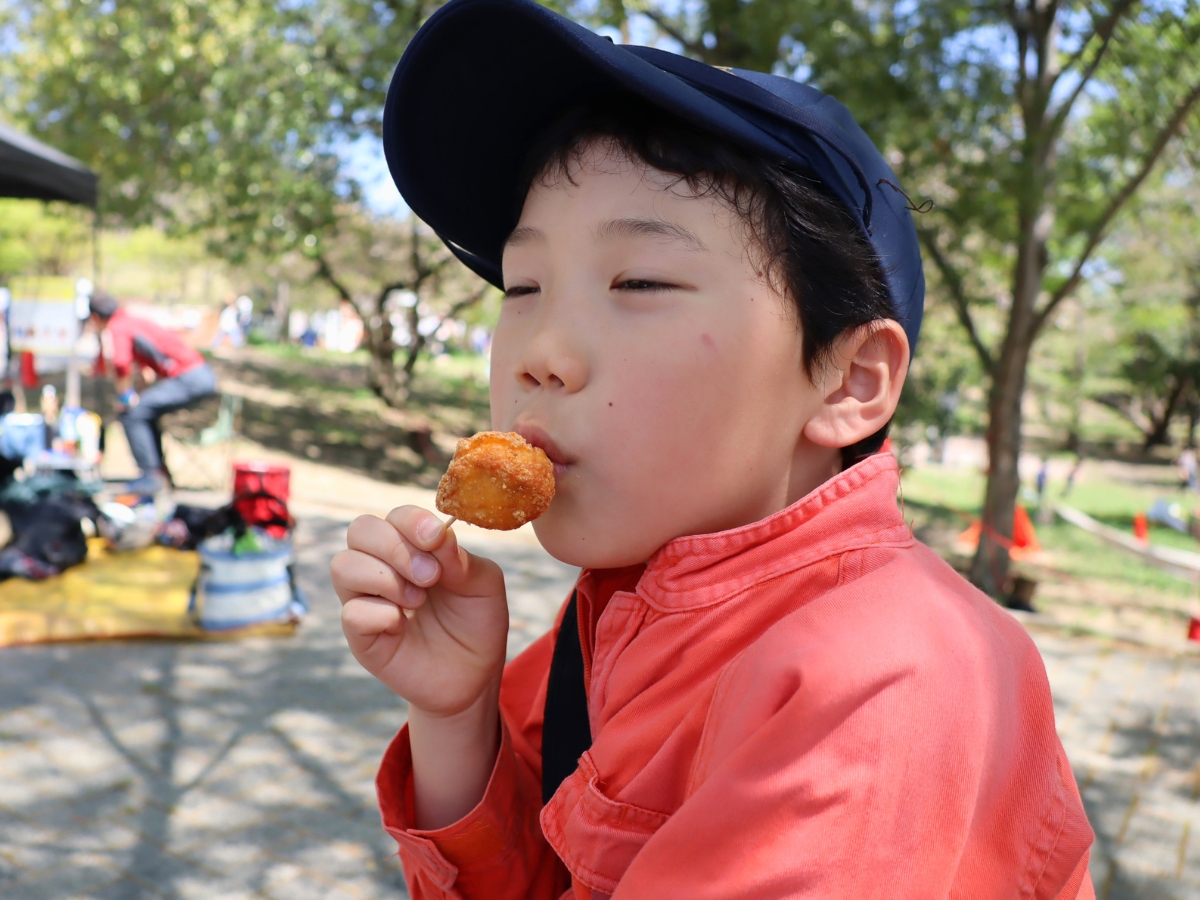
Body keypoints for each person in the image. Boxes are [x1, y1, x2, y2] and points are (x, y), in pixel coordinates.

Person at [330, 2, 1095, 897]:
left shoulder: (887, 675)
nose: (540, 354)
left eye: (640, 281)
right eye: (524, 283)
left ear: (849, 381)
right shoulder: (606, 624)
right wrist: (457, 715)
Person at [88, 292, 217, 494]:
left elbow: (121, 363)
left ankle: (150, 477)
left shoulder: (118, 326)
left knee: (132, 414)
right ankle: (160, 473)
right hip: (199, 374)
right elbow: (146, 373)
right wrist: (135, 396)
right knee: (143, 411)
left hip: (189, 378)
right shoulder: (131, 320)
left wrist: (124, 399)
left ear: (95, 317)